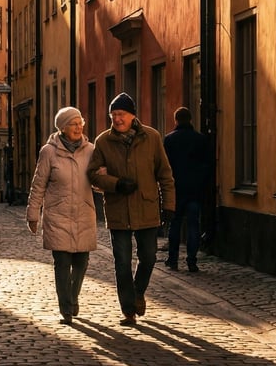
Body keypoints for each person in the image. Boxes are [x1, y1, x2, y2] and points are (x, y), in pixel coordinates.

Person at [88, 92, 176, 327]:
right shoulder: (103, 141)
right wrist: (116, 184)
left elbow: (165, 174)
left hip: (147, 208)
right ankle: (129, 310)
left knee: (148, 257)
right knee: (122, 262)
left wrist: (168, 206)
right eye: (113, 115)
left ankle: (138, 293)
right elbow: (93, 175)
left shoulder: (152, 137)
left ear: (133, 116)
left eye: (121, 115)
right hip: (118, 210)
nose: (117, 119)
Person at [27, 107, 98, 325]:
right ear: (63, 128)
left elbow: (99, 180)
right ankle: (66, 308)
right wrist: (33, 214)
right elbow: (38, 184)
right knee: (62, 262)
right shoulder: (49, 152)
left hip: (84, 213)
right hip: (57, 214)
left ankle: (73, 296)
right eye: (73, 124)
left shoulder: (91, 150)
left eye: (80, 123)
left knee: (81, 262)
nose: (78, 127)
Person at [163, 107, 210, 273]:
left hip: (175, 189)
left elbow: (164, 167)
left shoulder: (168, 140)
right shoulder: (201, 139)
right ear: (190, 120)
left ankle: (173, 260)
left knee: (174, 224)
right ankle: (192, 261)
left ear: (176, 120)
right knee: (193, 225)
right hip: (194, 189)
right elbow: (207, 165)